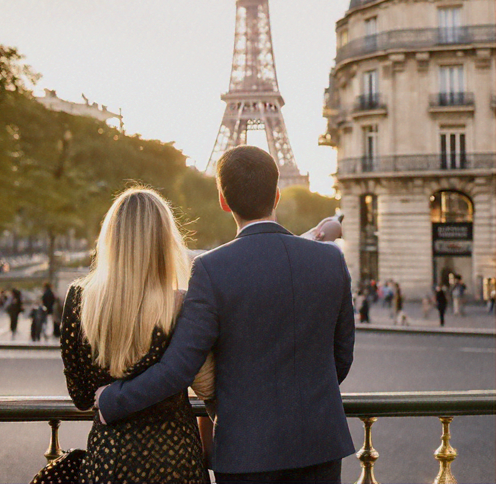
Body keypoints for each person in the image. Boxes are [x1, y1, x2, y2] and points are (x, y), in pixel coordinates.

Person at [97, 146, 355, 484]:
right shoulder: (330, 261)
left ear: (223, 200)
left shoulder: (210, 269)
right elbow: (341, 357)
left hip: (246, 451)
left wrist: (114, 400)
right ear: (276, 195)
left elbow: (179, 368)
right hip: (319, 443)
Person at [59, 187, 214, 483]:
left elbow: (79, 395)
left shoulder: (79, 299)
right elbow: (206, 386)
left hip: (110, 459)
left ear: (110, 239)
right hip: (175, 457)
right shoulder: (181, 304)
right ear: (164, 242)